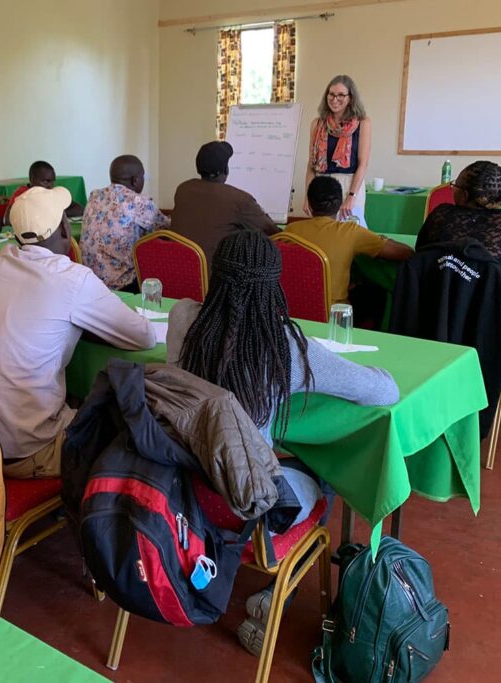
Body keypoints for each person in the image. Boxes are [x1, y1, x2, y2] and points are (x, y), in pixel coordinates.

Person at [165, 230, 399, 657]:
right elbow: (384, 392)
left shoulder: (182, 318)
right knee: (324, 471)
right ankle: (277, 598)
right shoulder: (284, 345)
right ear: (275, 284)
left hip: (183, 492)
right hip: (245, 505)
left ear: (214, 276)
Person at [0, 185, 156, 479]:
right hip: (31, 449)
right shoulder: (72, 278)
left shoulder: (2, 263)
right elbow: (143, 336)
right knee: (133, 427)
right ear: (65, 231)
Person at [286, 176, 412, 306]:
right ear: (340, 204)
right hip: (335, 313)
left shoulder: (290, 231)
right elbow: (405, 252)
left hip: (293, 309)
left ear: (310, 204)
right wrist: (382, 239)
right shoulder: (351, 231)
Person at [171, 140, 279, 261]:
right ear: (225, 169)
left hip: (180, 271)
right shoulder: (239, 199)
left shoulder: (183, 190)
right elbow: (273, 232)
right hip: (218, 275)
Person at [81, 154, 170, 291]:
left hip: (89, 281)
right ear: (135, 180)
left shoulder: (95, 196)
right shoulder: (138, 202)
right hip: (121, 284)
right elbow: (167, 230)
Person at [304, 75, 372, 225]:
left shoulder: (363, 123)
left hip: (349, 184)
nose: (335, 99)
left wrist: (351, 196)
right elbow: (311, 164)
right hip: (321, 185)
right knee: (323, 234)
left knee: (350, 234)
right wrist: (307, 196)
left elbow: (363, 164)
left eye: (341, 95)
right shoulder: (317, 124)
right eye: (331, 94)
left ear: (351, 97)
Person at [3, 160, 84, 225]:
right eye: (46, 181)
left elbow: (79, 209)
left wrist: (55, 213)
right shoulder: (22, 194)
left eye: (52, 182)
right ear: (32, 179)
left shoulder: (51, 193)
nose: (50, 186)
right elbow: (7, 220)